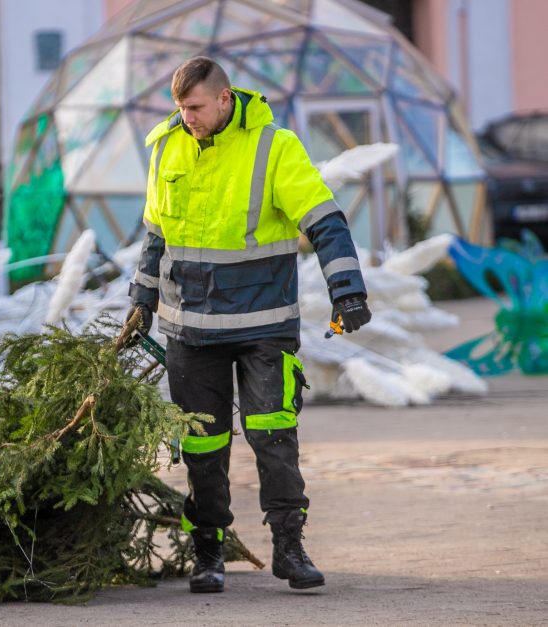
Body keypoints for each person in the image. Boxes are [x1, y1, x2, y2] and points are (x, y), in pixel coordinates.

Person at [127, 57, 372, 594]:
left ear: (223, 98)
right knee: (202, 448)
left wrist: (348, 291)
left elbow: (326, 222)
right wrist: (141, 299)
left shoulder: (274, 147)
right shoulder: (167, 146)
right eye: (178, 107)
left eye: (193, 107)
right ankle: (208, 554)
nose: (185, 117)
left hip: (264, 326)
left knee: (273, 437)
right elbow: (156, 236)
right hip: (190, 330)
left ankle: (289, 548)